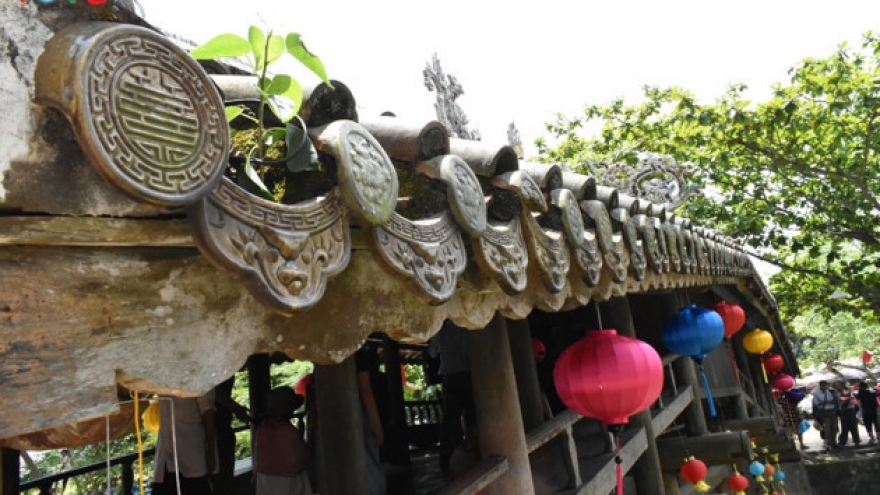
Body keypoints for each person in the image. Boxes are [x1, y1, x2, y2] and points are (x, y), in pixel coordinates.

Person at [429, 320, 477, 474]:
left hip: (451, 377)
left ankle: (444, 462)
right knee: (474, 417)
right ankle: (479, 453)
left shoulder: (439, 327)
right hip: (469, 375)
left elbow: (432, 352)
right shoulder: (468, 324)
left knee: (449, 421)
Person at [152, 392, 217, 495]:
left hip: (191, 455)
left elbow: (207, 411)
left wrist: (211, 451)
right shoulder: (161, 380)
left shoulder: (198, 377)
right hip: (164, 457)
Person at [253, 387, 311, 495]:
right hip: (288, 482)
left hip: (264, 480)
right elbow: (302, 458)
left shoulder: (262, 430)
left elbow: (257, 458)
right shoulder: (289, 432)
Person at [355, 345, 388, 495]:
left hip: (330, 419)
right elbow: (365, 389)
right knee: (370, 462)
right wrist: (377, 424)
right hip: (358, 415)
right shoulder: (357, 355)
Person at [812, 380, 839, 450]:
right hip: (824, 411)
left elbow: (833, 401)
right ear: (820, 386)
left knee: (834, 427)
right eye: (824, 385)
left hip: (832, 410)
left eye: (826, 385)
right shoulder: (817, 394)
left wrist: (831, 402)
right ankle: (827, 442)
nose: (825, 386)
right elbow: (816, 404)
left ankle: (834, 442)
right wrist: (824, 402)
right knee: (827, 428)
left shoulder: (829, 392)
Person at [836, 382, 861, 446]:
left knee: (852, 425)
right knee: (845, 426)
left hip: (848, 410)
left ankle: (856, 440)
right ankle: (843, 441)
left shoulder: (845, 392)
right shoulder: (838, 393)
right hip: (844, 410)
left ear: (842, 385)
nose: (837, 387)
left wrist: (841, 409)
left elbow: (845, 402)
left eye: (838, 385)